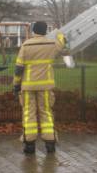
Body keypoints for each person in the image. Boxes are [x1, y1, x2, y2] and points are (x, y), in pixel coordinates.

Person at [13, 22, 67, 154]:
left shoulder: (26, 45)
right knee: (46, 112)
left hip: (28, 86)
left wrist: (16, 85)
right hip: (45, 86)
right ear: (45, 31)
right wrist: (59, 32)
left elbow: (19, 69)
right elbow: (62, 42)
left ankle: (29, 145)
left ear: (33, 31)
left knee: (28, 113)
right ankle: (50, 144)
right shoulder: (52, 44)